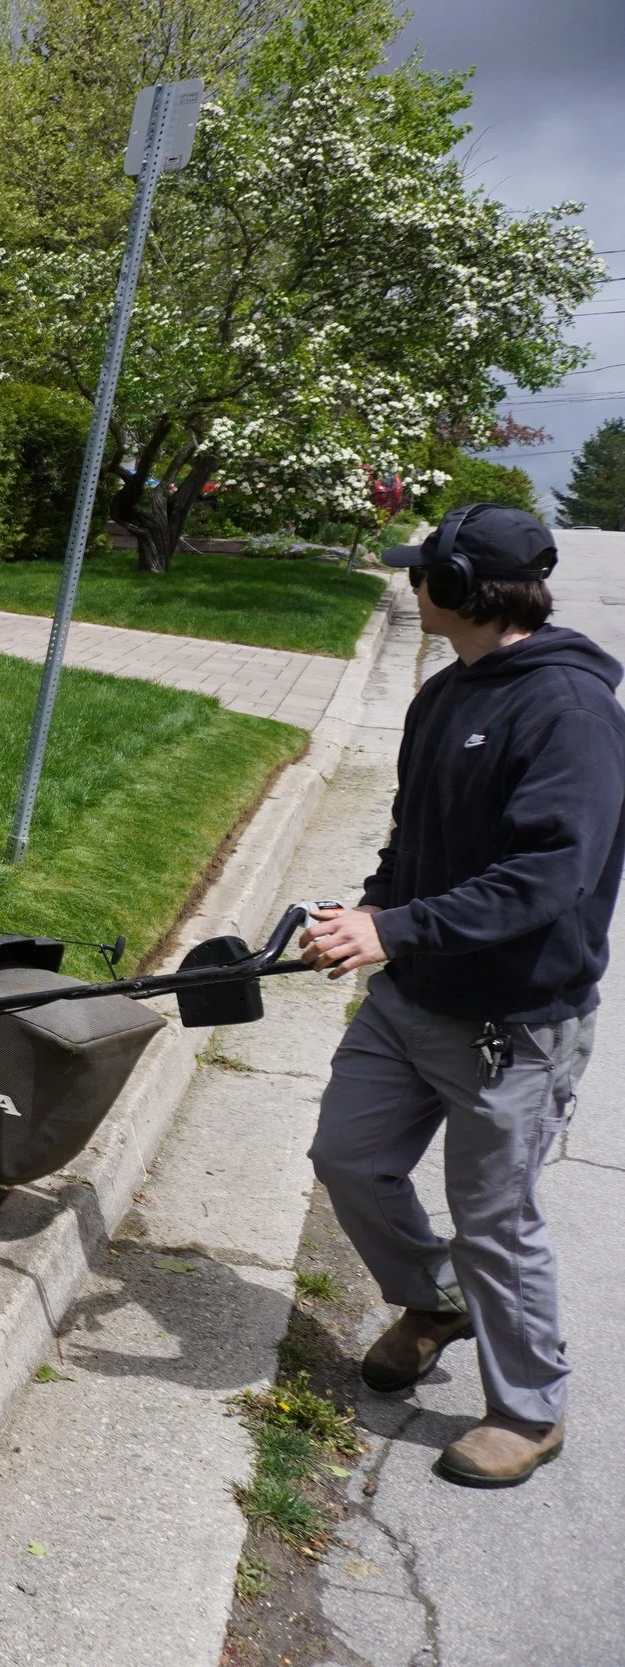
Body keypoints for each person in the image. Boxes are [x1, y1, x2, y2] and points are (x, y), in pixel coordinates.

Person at [302, 503, 625, 1488]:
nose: (409, 584)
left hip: (512, 1023)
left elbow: (546, 878)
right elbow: (413, 836)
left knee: (494, 1218)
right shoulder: (446, 694)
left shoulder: (566, 711)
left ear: (458, 589)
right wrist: (367, 911)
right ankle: (432, 1298)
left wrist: (392, 929)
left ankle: (530, 1410)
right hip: (411, 993)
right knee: (346, 1154)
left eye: (421, 572)